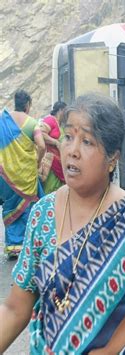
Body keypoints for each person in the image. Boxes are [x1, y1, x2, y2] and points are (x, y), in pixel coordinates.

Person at [0, 94, 125, 353]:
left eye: (87, 141)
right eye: (68, 137)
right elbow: (15, 308)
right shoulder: (43, 214)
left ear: (112, 158)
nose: (72, 151)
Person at [0, 89, 45, 258]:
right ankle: (26, 244)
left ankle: (12, 246)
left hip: (5, 175)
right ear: (27, 105)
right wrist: (37, 162)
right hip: (26, 175)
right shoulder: (32, 123)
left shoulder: (2, 120)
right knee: (27, 206)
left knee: (10, 206)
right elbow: (41, 146)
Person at [40, 101, 67, 194]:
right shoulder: (50, 120)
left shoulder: (60, 125)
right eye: (65, 111)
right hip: (51, 163)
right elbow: (41, 133)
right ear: (60, 110)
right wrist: (55, 142)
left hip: (59, 163)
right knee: (50, 189)